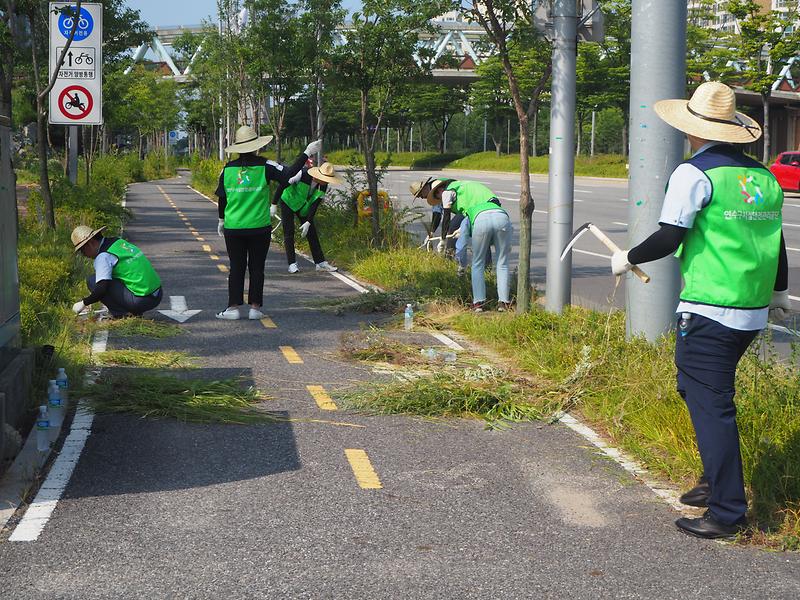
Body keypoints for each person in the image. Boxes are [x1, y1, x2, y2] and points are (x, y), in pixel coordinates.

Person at [611, 81, 789, 539]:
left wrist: (627, 257)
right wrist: (780, 294)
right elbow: (777, 241)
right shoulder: (763, 177)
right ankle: (714, 476)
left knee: (712, 406)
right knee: (694, 387)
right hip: (749, 310)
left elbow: (671, 235)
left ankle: (727, 511)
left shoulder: (695, 173)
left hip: (711, 307)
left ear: (691, 129)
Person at [214, 125, 320, 320]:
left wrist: (221, 219)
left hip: (234, 227)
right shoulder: (266, 166)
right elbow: (288, 174)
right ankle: (255, 308)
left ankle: (232, 308)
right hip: (259, 227)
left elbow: (222, 198)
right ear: (256, 146)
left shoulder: (227, 170)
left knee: (236, 267)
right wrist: (306, 153)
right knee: (256, 267)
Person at [414, 178, 512, 312]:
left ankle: (479, 303)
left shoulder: (447, 193)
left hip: (480, 218)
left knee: (477, 263)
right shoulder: (464, 189)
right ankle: (504, 303)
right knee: (503, 263)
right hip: (501, 215)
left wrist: (459, 263)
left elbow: (458, 240)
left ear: (439, 191)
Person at [70, 225, 163, 318]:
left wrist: (84, 303)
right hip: (157, 294)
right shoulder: (118, 242)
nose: (84, 255)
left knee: (92, 280)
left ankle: (122, 314)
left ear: (90, 243)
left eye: (82, 251)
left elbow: (101, 289)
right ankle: (132, 311)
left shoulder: (103, 256)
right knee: (110, 276)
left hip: (141, 300)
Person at [273, 161, 342, 273]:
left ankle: (320, 263)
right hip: (288, 202)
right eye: (325, 179)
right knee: (289, 232)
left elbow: (315, 204)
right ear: (319, 176)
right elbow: (283, 185)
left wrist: (309, 221)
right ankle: (292, 264)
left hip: (303, 207)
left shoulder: (323, 186)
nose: (327, 182)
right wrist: (274, 204)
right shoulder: (302, 174)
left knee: (312, 232)